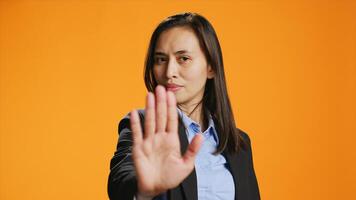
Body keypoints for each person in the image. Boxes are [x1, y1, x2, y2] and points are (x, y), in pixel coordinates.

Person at [108, 12, 260, 200]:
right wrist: (143, 190)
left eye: (183, 59)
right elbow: (120, 180)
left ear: (211, 67)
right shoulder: (143, 124)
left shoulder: (239, 144)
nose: (169, 72)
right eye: (161, 59)